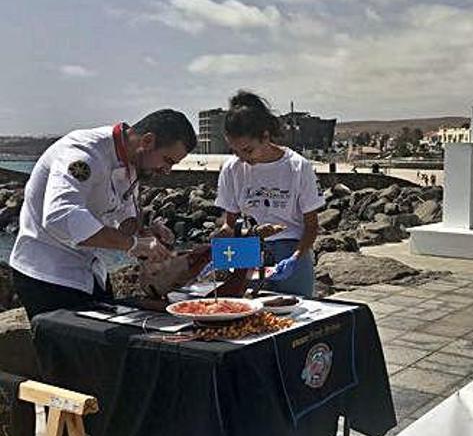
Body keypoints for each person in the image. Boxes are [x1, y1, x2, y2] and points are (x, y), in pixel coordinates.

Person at [10, 110, 195, 319]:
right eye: (167, 160)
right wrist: (132, 244)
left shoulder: (131, 161)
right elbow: (60, 216)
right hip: (49, 276)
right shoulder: (83, 153)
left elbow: (124, 216)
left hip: (91, 274)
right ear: (148, 140)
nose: (167, 170)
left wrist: (144, 235)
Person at [214, 91, 324, 297]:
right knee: (242, 316)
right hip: (247, 250)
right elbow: (231, 224)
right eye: (235, 151)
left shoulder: (298, 166)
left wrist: (295, 258)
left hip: (291, 250)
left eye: (248, 150)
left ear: (265, 136)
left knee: (295, 317)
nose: (242, 158)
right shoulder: (231, 169)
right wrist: (217, 252)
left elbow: (311, 225)